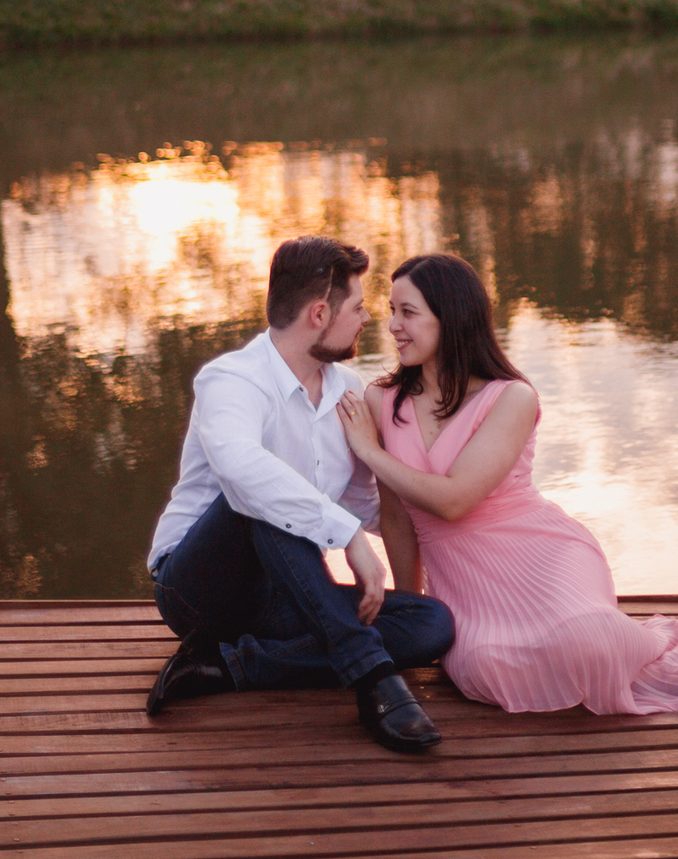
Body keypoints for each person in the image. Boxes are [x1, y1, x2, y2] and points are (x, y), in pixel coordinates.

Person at [337, 253, 678, 716]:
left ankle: (666, 645)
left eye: (408, 312)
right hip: (467, 584)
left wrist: (370, 452)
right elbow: (396, 517)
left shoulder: (511, 397)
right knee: (484, 668)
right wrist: (415, 614)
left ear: (451, 317)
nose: (392, 325)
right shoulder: (381, 399)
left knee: (587, 639)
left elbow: (453, 501)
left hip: (542, 554)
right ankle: (646, 640)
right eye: (391, 310)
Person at [145, 235, 455, 753]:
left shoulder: (346, 391)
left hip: (285, 593)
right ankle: (372, 678)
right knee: (258, 496)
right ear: (318, 314)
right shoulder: (231, 380)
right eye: (357, 308)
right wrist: (349, 537)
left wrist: (455, 522)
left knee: (430, 624)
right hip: (196, 587)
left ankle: (229, 665)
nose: (366, 319)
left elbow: (364, 506)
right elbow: (243, 471)